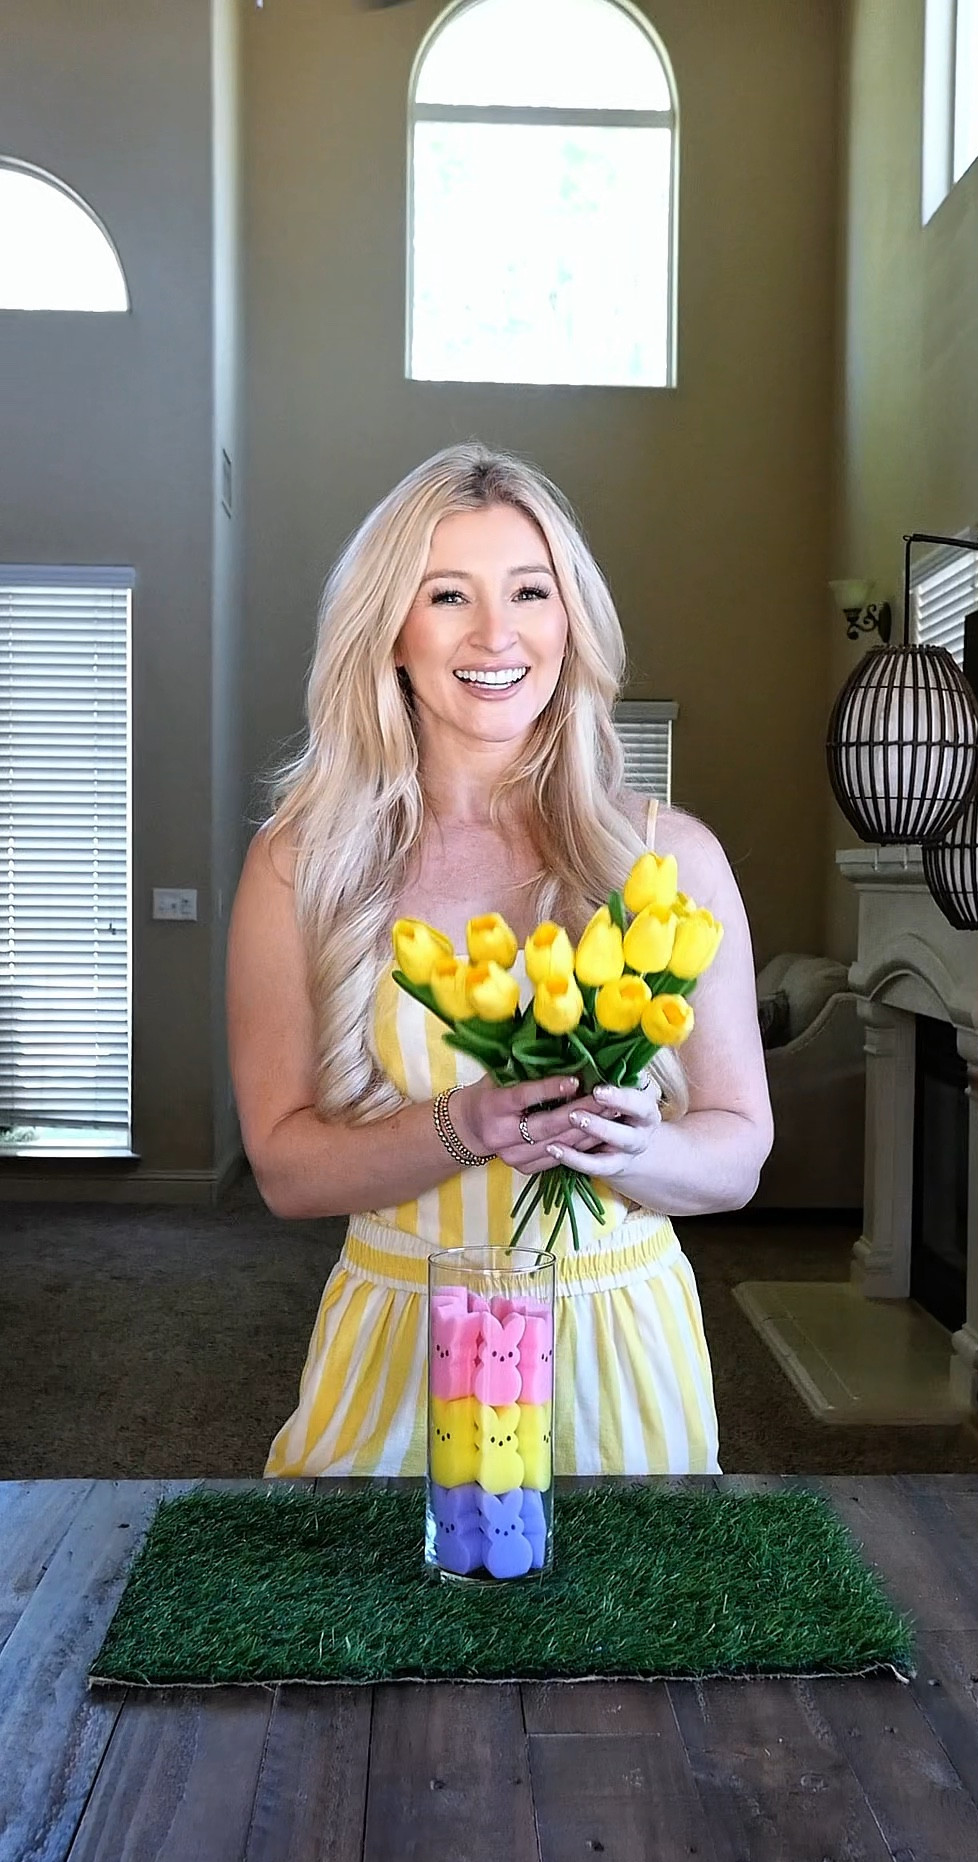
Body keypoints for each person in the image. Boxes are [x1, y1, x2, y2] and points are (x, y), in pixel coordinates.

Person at [226, 443, 773, 1478]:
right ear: (389, 630)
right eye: (447, 595)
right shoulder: (301, 864)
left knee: (638, 1641)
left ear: (570, 623)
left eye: (530, 589)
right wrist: (463, 1124)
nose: (496, 633)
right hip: (399, 1341)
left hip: (619, 1340)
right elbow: (288, 1171)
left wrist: (626, 1150)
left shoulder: (671, 857)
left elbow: (738, 1153)